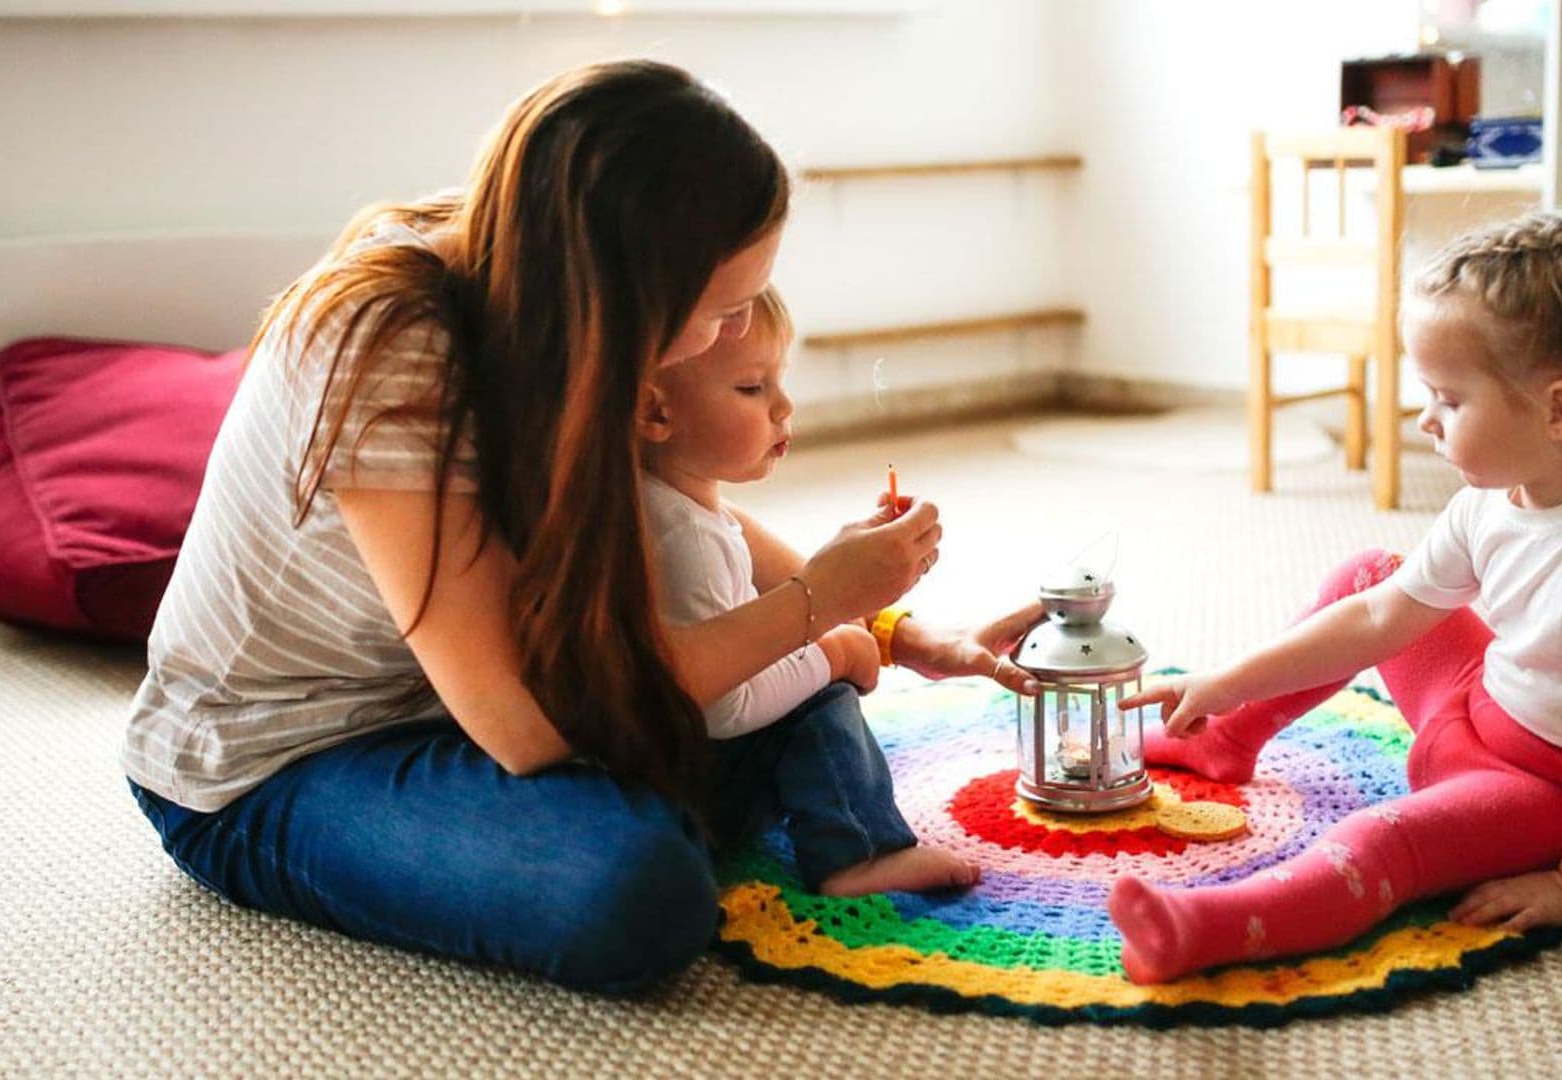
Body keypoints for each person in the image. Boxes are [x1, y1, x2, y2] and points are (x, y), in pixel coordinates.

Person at [119, 59, 1036, 995]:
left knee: (768, 704)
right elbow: (527, 726)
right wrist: (819, 606)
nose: (727, 340)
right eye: (720, 313)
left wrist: (895, 629)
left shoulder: (547, 286)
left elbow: (686, 514)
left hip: (457, 710)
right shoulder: (392, 344)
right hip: (275, 761)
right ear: (629, 286)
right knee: (639, 889)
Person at [1108, 213, 1562, 983]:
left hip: (1557, 790)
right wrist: (1229, 683)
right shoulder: (1498, 496)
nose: (1425, 419)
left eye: (1448, 398)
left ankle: (1208, 927)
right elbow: (1382, 616)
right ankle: (1225, 737)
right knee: (1371, 575)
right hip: (1480, 712)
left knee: (1380, 843)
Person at [638, 286, 979, 896]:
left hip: (658, 767)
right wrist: (836, 655)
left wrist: (861, 588)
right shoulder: (685, 538)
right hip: (694, 786)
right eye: (752, 388)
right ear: (656, 413)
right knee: (821, 701)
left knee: (808, 663)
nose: (783, 406)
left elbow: (788, 597)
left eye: (780, 381)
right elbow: (723, 707)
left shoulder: (658, 502)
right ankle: (858, 853)